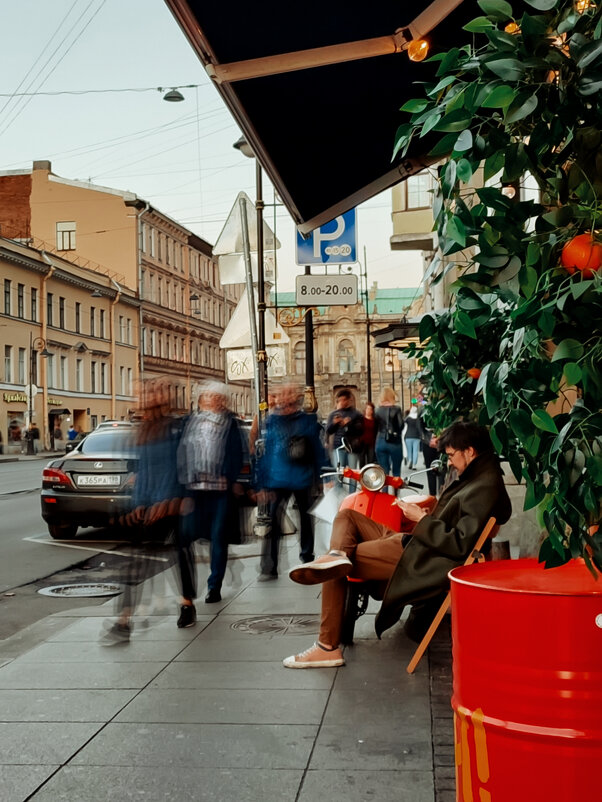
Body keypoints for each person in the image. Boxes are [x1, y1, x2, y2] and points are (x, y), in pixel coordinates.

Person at [282, 421, 512, 668]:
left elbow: (458, 544)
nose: (450, 462)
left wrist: (421, 519)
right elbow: (457, 521)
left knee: (333, 567)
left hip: (422, 556)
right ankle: (338, 554)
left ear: (470, 451)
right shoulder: (478, 477)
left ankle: (327, 647)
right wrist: (429, 514)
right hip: (417, 543)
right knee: (347, 517)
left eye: (451, 455)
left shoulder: (483, 486)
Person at [176, 382, 243, 620]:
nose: (214, 400)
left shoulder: (230, 423)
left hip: (220, 490)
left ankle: (214, 585)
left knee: (218, 537)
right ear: (201, 399)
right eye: (209, 396)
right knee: (185, 537)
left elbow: (236, 453)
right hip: (193, 490)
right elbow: (180, 452)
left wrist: (232, 477)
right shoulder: (189, 422)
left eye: (218, 397)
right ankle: (188, 592)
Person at [255, 382, 326, 580]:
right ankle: (269, 567)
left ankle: (307, 558)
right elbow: (265, 452)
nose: (283, 398)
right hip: (277, 479)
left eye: (288, 394)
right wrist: (262, 483)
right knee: (273, 523)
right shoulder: (271, 420)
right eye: (280, 394)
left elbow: (317, 449)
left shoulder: (307, 419)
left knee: (305, 519)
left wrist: (321, 475)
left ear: (295, 397)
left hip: (302, 477)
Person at [325, 389, 364, 488]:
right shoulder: (334, 414)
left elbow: (360, 430)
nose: (342, 402)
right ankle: (339, 495)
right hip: (338, 447)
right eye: (340, 400)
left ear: (349, 400)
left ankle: (352, 495)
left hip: (352, 447)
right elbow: (329, 431)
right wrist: (334, 423)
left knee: (353, 473)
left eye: (344, 400)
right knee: (338, 473)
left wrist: (349, 424)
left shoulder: (356, 414)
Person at [374, 387, 403, 483]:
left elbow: (375, 426)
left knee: (384, 472)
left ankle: (385, 494)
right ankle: (395, 495)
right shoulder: (397, 409)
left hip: (380, 441)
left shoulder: (377, 410)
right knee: (396, 471)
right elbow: (401, 425)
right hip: (394, 442)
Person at [404, 404, 422, 470]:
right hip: (416, 437)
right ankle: (414, 465)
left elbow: (403, 425)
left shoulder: (408, 418)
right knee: (415, 451)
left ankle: (410, 461)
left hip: (408, 436)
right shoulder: (418, 418)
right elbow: (420, 428)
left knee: (409, 451)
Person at [359, 401, 377, 467]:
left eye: (370, 409)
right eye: (367, 409)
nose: (369, 410)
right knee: (362, 460)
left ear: (372, 411)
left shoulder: (375, 420)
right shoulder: (361, 419)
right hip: (362, 442)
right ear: (365, 410)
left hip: (372, 443)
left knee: (371, 460)